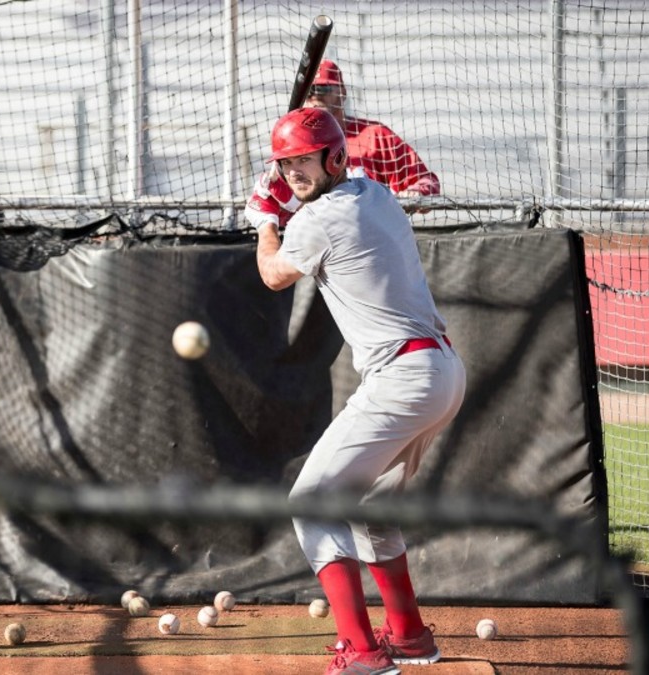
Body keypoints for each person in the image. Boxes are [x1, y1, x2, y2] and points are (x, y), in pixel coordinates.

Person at [249, 107, 466, 675]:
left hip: (404, 377)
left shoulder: (317, 220)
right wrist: (287, 200)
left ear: (336, 156)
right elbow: (318, 208)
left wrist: (262, 216)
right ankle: (411, 637)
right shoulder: (373, 192)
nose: (294, 172)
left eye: (304, 161)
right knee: (371, 510)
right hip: (441, 372)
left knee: (310, 502)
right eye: (286, 163)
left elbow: (272, 274)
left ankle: (363, 652)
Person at [245, 60, 439, 228]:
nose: (316, 97)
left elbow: (427, 182)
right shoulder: (292, 141)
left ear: (342, 92)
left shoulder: (375, 136)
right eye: (310, 91)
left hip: (370, 238)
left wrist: (414, 195)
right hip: (311, 244)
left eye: (324, 89)